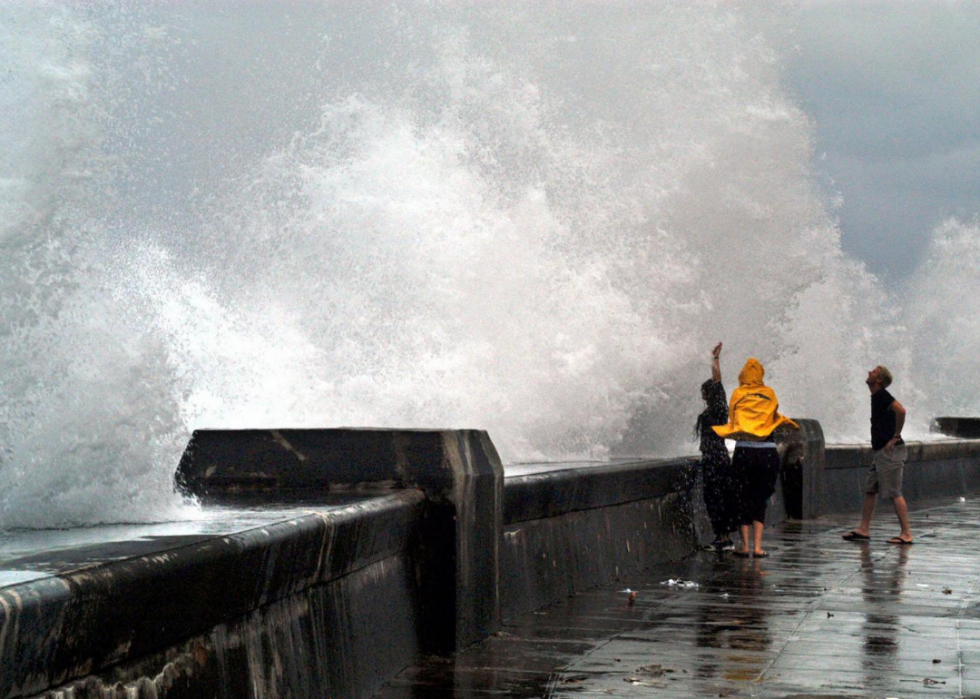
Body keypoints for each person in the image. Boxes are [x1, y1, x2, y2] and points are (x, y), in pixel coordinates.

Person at [712, 357, 798, 558]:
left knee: (742, 496)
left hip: (745, 452)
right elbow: (772, 416)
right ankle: (758, 547)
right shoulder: (769, 393)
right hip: (767, 452)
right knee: (760, 499)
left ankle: (744, 546)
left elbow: (733, 419)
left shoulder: (738, 393)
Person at [843, 366, 911, 545]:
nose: (868, 372)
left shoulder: (882, 395)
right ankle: (864, 529)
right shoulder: (876, 396)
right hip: (881, 452)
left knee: (895, 491)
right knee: (870, 489)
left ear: (879, 379)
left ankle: (906, 534)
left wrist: (896, 436)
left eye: (873, 371)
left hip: (891, 452)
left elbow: (901, 411)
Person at [694, 342, 738, 551]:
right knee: (719, 496)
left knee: (715, 497)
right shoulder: (716, 410)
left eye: (703, 392)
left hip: (715, 459)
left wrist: (715, 360)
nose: (701, 395)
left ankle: (723, 536)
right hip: (716, 457)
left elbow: (718, 384)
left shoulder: (719, 409)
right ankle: (723, 535)